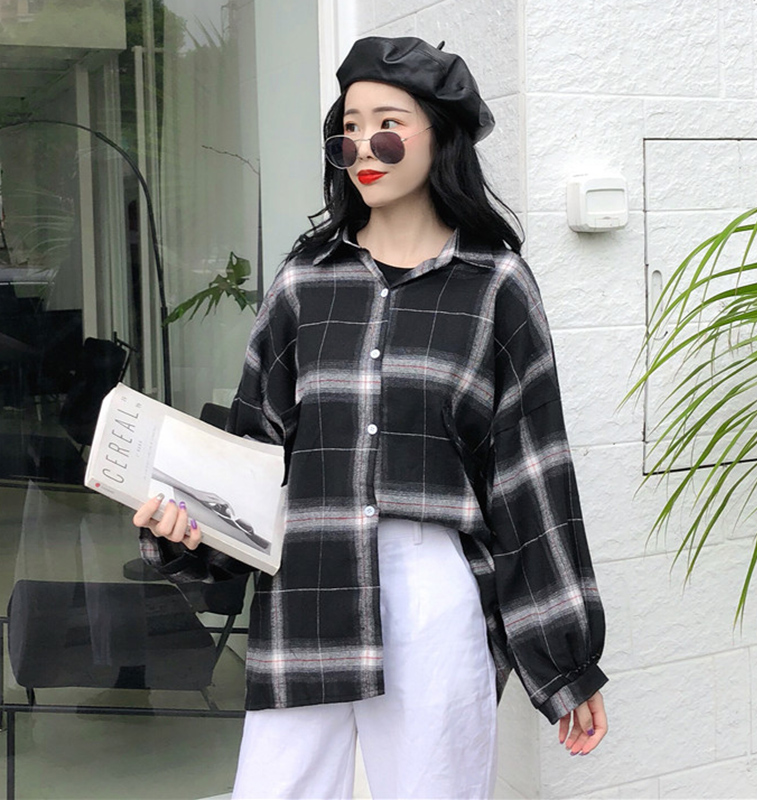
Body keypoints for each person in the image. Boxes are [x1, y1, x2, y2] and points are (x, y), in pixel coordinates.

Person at [133, 35, 608, 800]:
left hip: (430, 592)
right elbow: (254, 450)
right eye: (348, 129)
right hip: (305, 581)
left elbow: (531, 476)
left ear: (440, 137)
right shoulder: (304, 283)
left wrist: (566, 662)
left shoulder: (495, 287)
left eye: (387, 125)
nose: (363, 148)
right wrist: (188, 526)